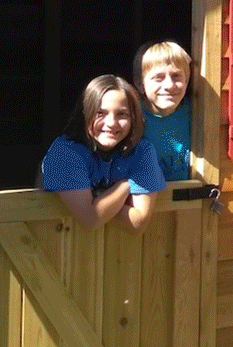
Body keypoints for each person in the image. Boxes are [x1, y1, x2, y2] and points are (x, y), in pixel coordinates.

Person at [41, 75, 165, 232]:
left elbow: (138, 223)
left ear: (133, 118)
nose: (111, 123)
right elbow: (90, 219)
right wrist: (126, 185)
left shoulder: (142, 150)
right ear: (84, 114)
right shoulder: (64, 152)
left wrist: (99, 197)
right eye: (100, 113)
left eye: (122, 114)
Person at [133, 40, 192, 182]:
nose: (169, 85)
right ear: (140, 85)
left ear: (187, 81)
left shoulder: (198, 112)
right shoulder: (132, 118)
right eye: (158, 78)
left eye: (176, 76)